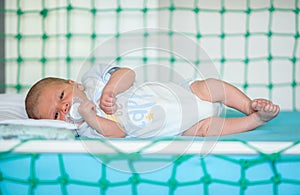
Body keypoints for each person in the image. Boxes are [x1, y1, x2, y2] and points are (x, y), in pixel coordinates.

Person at [25, 64, 280, 138]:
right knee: (207, 129)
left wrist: (112, 87)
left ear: (73, 84)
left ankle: (247, 105)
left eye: (61, 97)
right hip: (183, 127)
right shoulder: (87, 129)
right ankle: (254, 119)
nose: (65, 107)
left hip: (187, 94)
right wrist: (92, 118)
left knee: (211, 87)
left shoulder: (94, 81)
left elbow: (129, 74)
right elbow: (119, 132)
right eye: (57, 114)